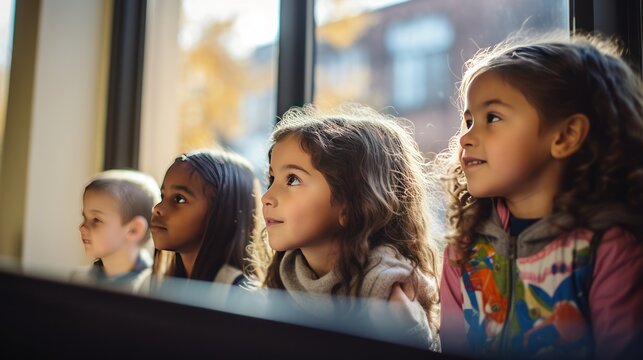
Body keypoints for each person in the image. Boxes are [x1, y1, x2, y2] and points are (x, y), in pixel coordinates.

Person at [435, 32, 643, 358]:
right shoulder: (463, 250)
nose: (465, 138)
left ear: (565, 136)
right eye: (469, 120)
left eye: (492, 118)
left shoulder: (608, 250)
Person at [254, 104, 441, 350]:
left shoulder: (384, 294)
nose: (267, 196)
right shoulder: (286, 272)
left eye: (292, 179)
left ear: (350, 204)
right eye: (271, 179)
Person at [150, 149, 264, 287]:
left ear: (223, 210)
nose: (158, 208)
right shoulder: (167, 283)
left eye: (179, 199)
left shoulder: (241, 295)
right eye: (163, 196)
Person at [74, 169, 160, 292]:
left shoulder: (152, 289)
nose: (82, 227)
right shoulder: (79, 281)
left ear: (134, 230)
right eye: (84, 217)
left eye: (96, 220)